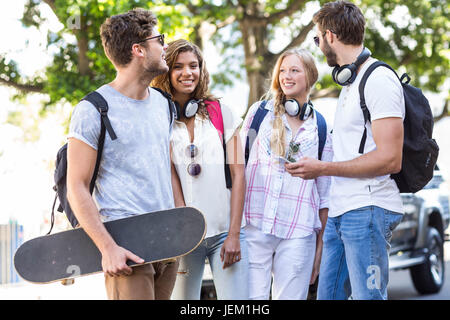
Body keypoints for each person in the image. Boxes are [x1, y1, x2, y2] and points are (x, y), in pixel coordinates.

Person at [287, 1, 405, 300]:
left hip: (367, 209)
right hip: (342, 210)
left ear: (329, 36)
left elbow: (391, 159)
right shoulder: (351, 81)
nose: (318, 46)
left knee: (369, 297)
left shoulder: (378, 80)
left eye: (316, 39)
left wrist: (322, 168)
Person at [66, 8, 185, 300]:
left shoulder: (163, 104)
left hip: (167, 244)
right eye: (160, 39)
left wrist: (182, 227)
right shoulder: (92, 110)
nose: (166, 45)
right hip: (127, 249)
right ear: (139, 50)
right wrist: (108, 248)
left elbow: (166, 166)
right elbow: (76, 186)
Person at [151, 39, 249, 300]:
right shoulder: (160, 119)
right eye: (178, 66)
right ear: (167, 72)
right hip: (185, 237)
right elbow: (169, 173)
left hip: (224, 235)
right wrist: (184, 222)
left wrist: (235, 235)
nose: (187, 73)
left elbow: (239, 175)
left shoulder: (222, 113)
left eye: (194, 65)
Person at [240, 49, 332, 300]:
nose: (286, 76)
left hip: (299, 230)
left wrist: (320, 248)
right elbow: (237, 167)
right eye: (282, 70)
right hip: (253, 225)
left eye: (294, 70)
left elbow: (325, 194)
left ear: (310, 76)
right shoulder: (259, 113)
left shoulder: (321, 127)